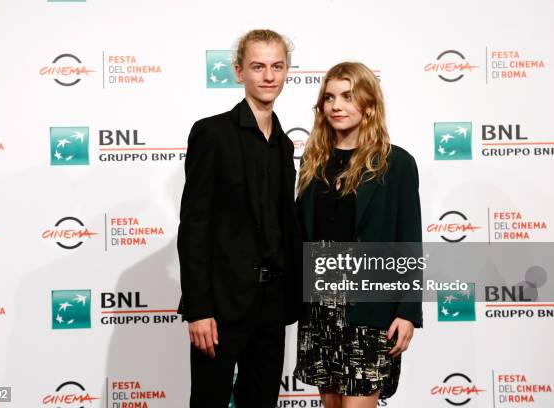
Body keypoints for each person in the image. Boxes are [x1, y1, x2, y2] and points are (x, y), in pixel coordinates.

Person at [177, 29, 301, 408]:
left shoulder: (284, 143)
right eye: (258, 66)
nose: (268, 76)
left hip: (272, 303)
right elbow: (194, 225)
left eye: (277, 66)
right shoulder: (211, 133)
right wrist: (199, 309)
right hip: (222, 305)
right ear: (238, 72)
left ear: (286, 72)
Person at [293, 62, 423, 408]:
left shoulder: (396, 164)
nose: (336, 105)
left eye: (348, 97)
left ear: (368, 105)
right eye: (330, 97)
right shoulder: (313, 163)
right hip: (319, 310)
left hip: (369, 310)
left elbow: (409, 242)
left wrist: (408, 311)